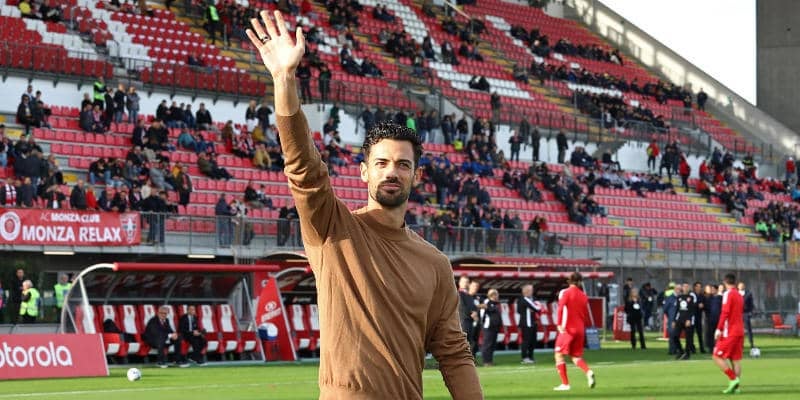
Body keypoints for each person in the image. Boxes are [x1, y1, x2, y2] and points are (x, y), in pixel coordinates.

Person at [246, 11, 482, 399]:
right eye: (381, 163)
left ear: (417, 176)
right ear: (363, 172)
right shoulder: (332, 229)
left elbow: (454, 354)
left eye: (403, 165)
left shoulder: (435, 263)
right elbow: (304, 168)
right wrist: (284, 79)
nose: (392, 172)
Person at [553, 272, 595, 391]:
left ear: (568, 281)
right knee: (575, 356)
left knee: (558, 354)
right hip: (580, 329)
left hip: (568, 329)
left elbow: (561, 308)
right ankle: (588, 371)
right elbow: (585, 313)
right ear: (580, 282)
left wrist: (559, 324)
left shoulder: (565, 292)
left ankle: (565, 384)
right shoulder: (583, 295)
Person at [713, 273, 745, 394]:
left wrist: (719, 329)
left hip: (730, 331)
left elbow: (725, 312)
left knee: (716, 356)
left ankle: (733, 379)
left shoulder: (728, 294)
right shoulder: (739, 295)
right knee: (735, 359)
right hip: (740, 330)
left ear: (725, 282)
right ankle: (737, 388)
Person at [516, 283, 541, 364]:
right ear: (525, 291)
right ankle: (524, 357)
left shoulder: (533, 298)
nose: (532, 292)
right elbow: (537, 308)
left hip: (533, 323)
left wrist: (532, 308)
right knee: (526, 341)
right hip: (526, 324)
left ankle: (531, 356)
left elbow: (539, 307)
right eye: (530, 290)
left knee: (533, 341)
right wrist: (532, 308)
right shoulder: (523, 299)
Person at [479, 289, 501, 367]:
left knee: (492, 345)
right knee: (487, 344)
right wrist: (483, 323)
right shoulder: (486, 302)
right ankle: (486, 361)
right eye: (497, 295)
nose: (498, 296)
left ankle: (490, 361)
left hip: (495, 327)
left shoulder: (495, 304)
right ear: (493, 295)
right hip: (488, 326)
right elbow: (482, 313)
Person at [705, 284, 722, 351]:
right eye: (711, 289)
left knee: (718, 333)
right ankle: (711, 347)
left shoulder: (720, 298)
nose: (712, 291)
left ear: (717, 290)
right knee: (711, 333)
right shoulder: (709, 298)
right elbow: (706, 308)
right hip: (710, 319)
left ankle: (719, 346)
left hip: (718, 319)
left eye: (713, 289)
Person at [738, 281, 755, 349]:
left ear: (744, 286)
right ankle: (740, 344)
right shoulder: (736, 294)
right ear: (738, 286)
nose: (741, 287)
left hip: (746, 314)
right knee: (739, 330)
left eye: (742, 285)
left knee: (749, 329)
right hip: (738, 314)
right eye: (740, 285)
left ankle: (751, 343)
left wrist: (750, 312)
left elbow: (751, 304)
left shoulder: (748, 294)